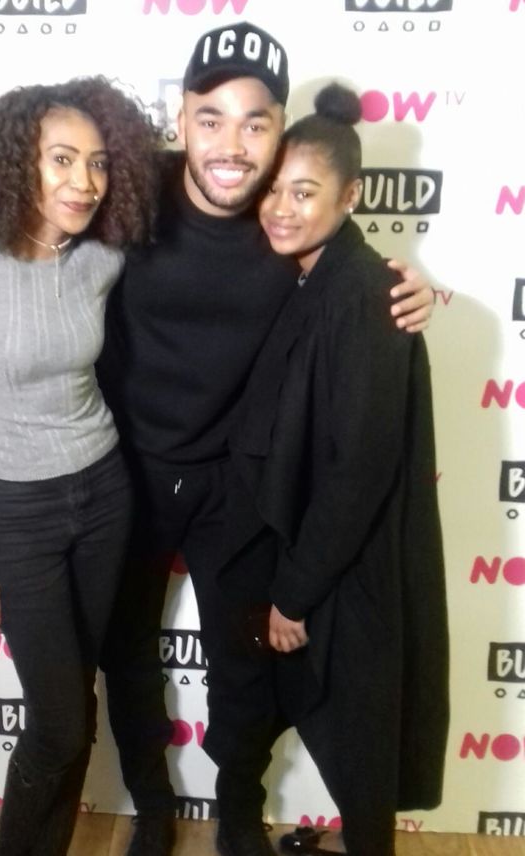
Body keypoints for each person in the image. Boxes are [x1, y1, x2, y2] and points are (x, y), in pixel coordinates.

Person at [0, 22, 435, 856]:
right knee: (127, 659)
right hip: (124, 473)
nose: (232, 144)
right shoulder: (126, 191)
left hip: (237, 482)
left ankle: (236, 813)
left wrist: (412, 282)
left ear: (279, 132)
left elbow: (349, 262)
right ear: (181, 118)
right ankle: (152, 807)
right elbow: (23, 209)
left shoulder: (284, 218)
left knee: (243, 665)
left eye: (256, 123)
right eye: (210, 118)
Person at [0, 76, 159, 856]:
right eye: (62, 159)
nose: (85, 181)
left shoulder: (102, 254)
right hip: (20, 514)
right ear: (18, 161)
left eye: (99, 162)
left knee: (75, 703)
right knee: (57, 720)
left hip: (107, 491)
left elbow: (213, 185)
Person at [219, 82, 449, 856]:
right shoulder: (314, 274)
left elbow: (360, 468)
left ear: (350, 196)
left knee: (359, 740)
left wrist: (295, 592)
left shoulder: (367, 293)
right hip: (311, 553)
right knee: (338, 731)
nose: (280, 209)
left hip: (344, 570)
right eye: (273, 189)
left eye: (304, 192)